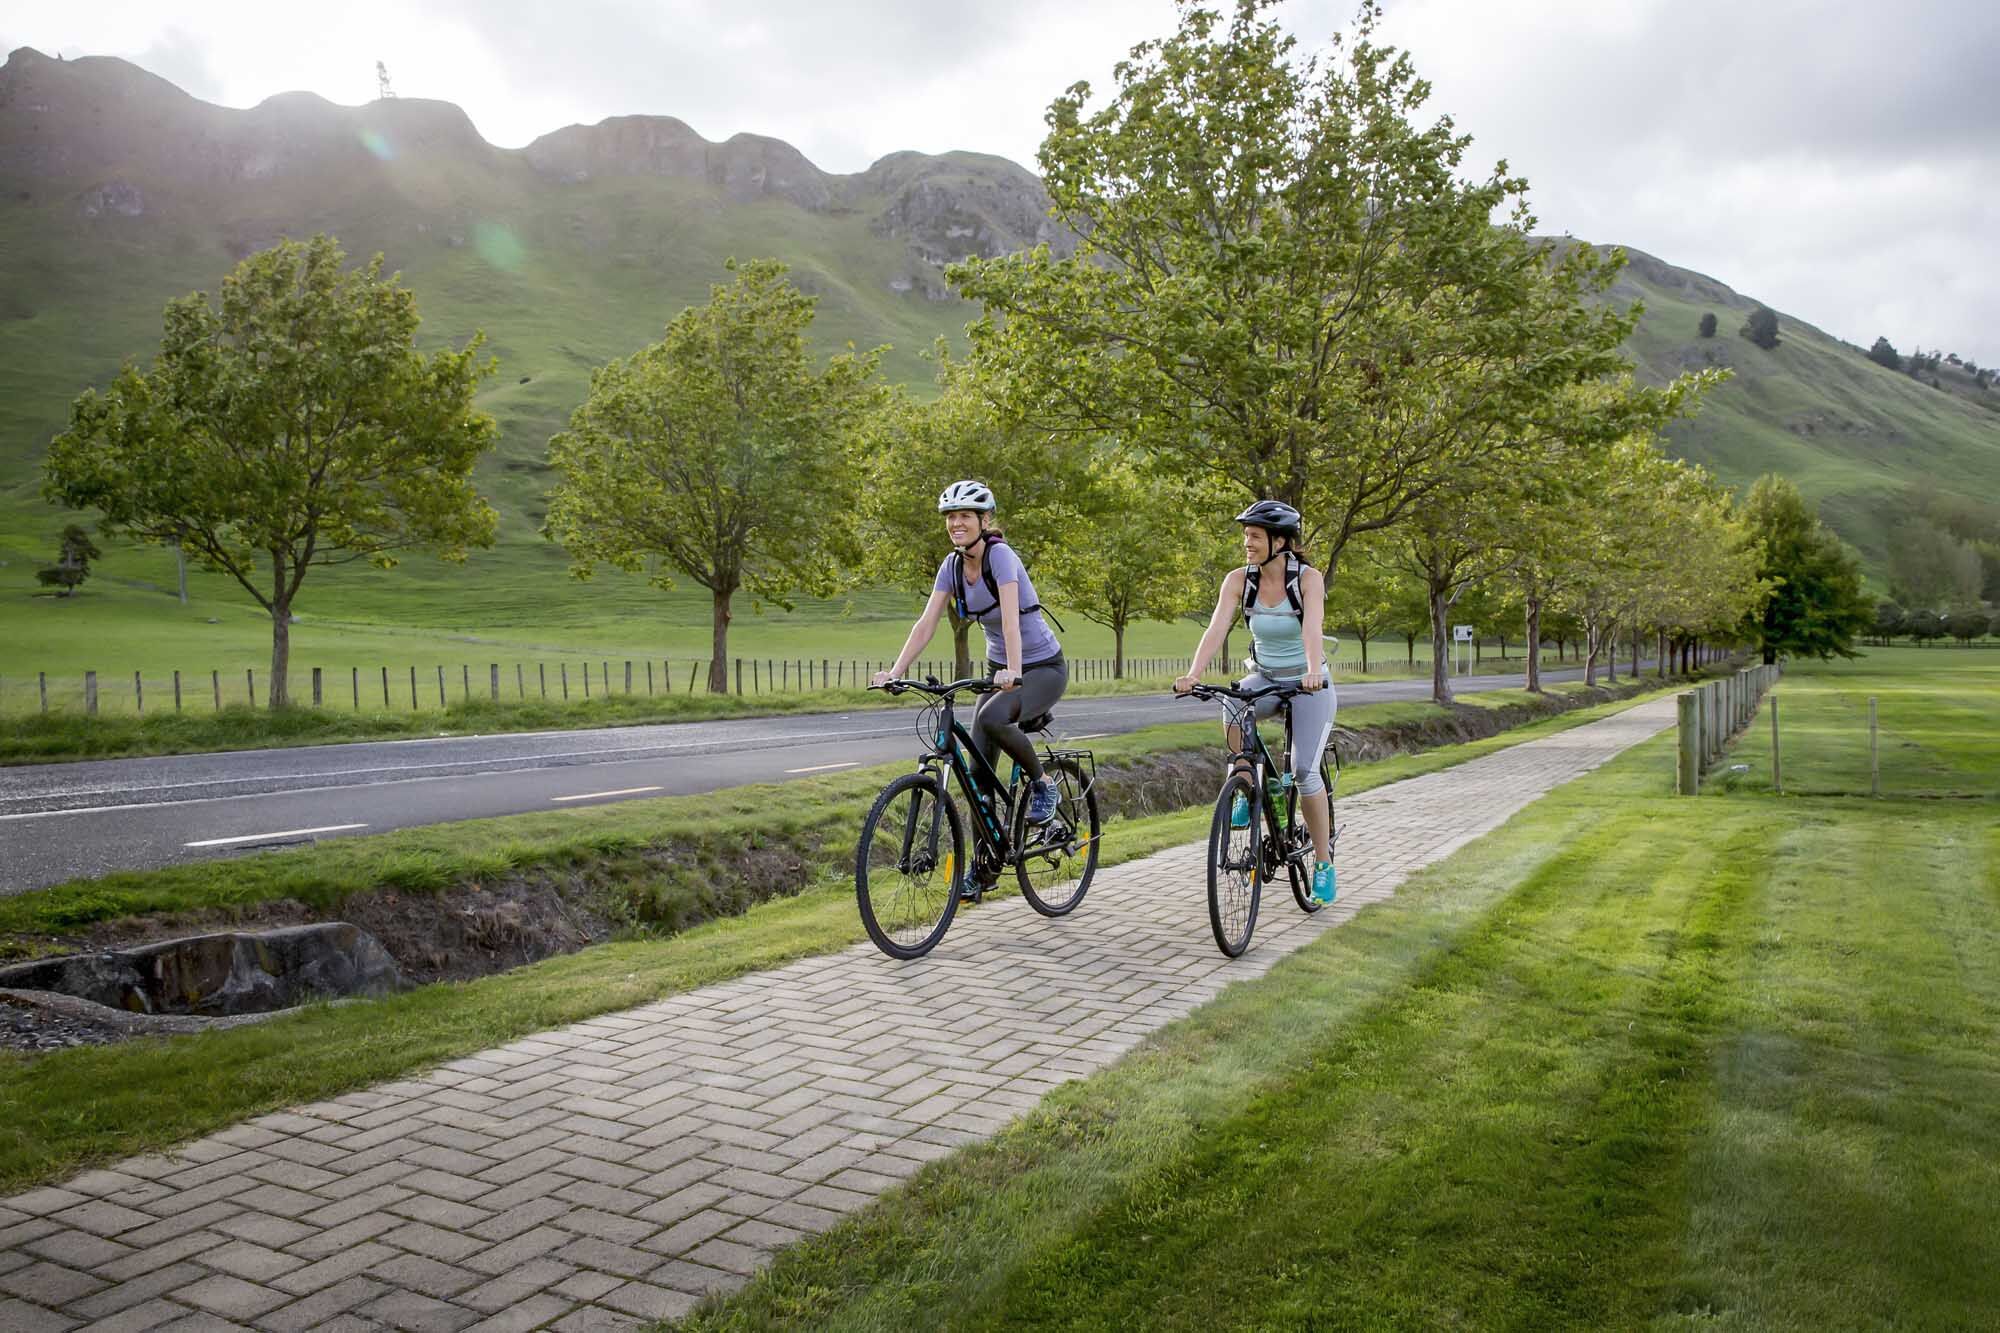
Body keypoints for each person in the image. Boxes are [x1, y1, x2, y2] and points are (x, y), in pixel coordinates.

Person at [874, 481, 1069, 861]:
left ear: (984, 520)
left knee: (994, 715)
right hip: (1001, 670)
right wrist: (895, 671)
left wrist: (1013, 671)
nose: (956, 523)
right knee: (978, 776)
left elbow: (1011, 622)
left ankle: (1044, 784)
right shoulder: (951, 566)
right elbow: (926, 623)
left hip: (1041, 667)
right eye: (951, 517)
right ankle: (983, 869)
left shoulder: (1001, 558)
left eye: (964, 516)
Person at [1173, 500, 1337, 904]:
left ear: (1280, 541)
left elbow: (1312, 627)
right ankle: (1245, 786)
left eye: (1255, 536)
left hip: (1307, 682)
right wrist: (1194, 673)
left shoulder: (1308, 579)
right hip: (1264, 676)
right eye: (1246, 535)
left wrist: (1313, 669)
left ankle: (1323, 862)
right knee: (1231, 703)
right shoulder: (1238, 580)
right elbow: (1216, 628)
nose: (1247, 542)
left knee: (1303, 770)